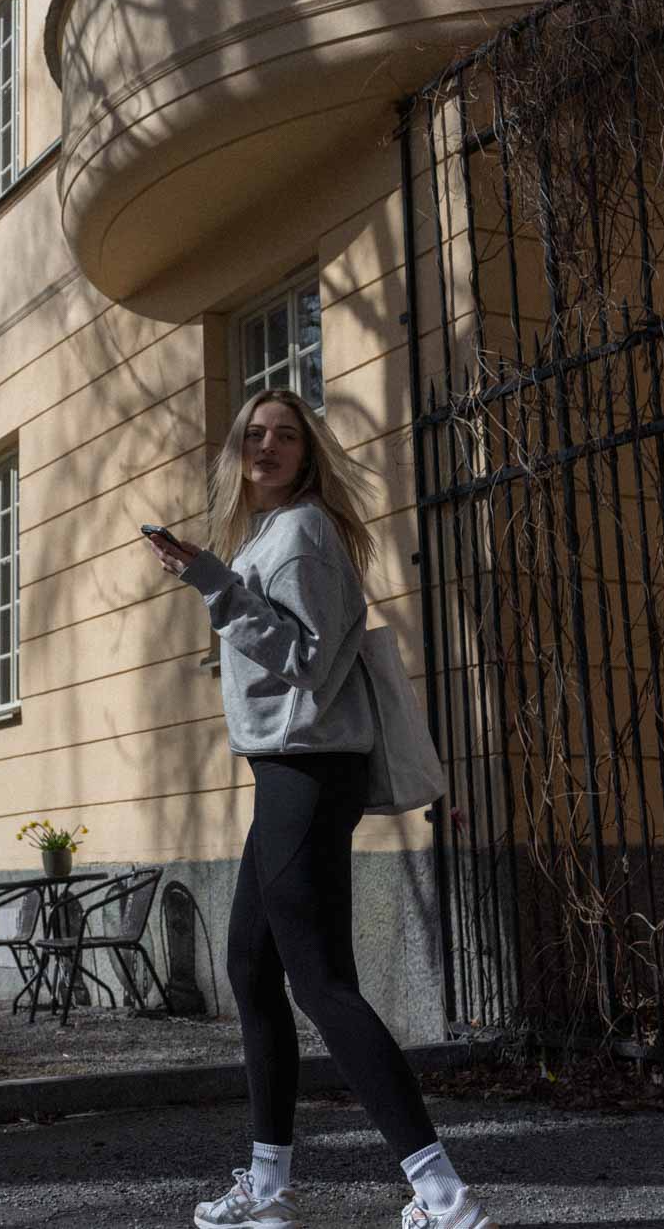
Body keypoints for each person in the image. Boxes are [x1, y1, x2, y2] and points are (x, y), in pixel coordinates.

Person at [143, 388, 498, 1229]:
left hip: (307, 772)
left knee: (322, 984)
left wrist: (212, 583)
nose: (266, 445)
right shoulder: (271, 534)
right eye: (253, 433)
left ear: (308, 454)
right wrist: (223, 595)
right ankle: (268, 1191)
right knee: (253, 970)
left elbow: (303, 655)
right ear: (236, 452)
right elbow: (296, 645)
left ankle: (442, 1194)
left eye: (285, 436)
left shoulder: (301, 533)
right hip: (289, 772)